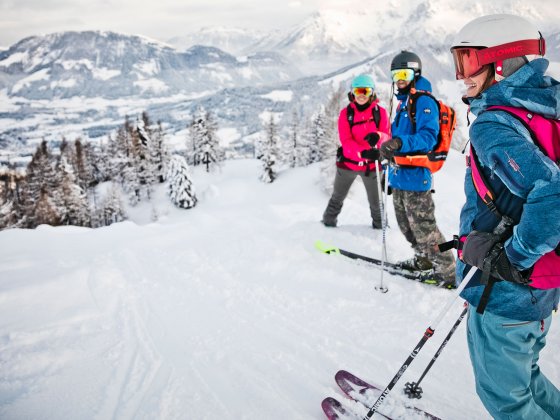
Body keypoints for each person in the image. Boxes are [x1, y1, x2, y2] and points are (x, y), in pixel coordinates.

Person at [451, 14, 560, 419]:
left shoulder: (494, 124)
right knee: (527, 378)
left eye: (468, 61)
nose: (462, 76)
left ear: (502, 63)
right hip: (545, 282)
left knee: (506, 398)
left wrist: (510, 258)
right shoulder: (548, 109)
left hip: (507, 289)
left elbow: (554, 194)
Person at [380, 51, 456, 284]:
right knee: (407, 228)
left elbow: (428, 138)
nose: (399, 79)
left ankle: (448, 272)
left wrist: (399, 142)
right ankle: (423, 260)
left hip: (417, 178)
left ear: (416, 74)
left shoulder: (424, 101)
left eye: (404, 73)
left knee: (426, 230)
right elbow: (398, 139)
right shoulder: (403, 103)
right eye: (396, 75)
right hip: (399, 177)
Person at [322, 74, 391, 229]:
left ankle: (381, 231)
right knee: (337, 198)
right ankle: (326, 226)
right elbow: (345, 141)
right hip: (348, 164)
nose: (361, 95)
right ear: (352, 93)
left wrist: (378, 136)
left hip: (372, 167)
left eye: (365, 91)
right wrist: (364, 152)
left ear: (372, 93)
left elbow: (387, 136)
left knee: (376, 203)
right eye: (357, 91)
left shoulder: (380, 113)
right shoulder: (346, 114)